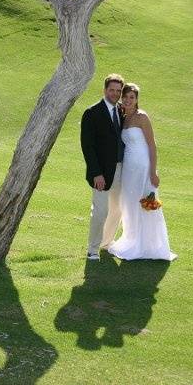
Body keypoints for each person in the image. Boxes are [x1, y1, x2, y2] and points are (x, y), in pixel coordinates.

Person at [107, 83, 177, 261]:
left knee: (145, 203)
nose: (128, 100)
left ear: (137, 99)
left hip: (143, 166)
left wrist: (153, 172)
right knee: (129, 202)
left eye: (132, 97)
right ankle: (131, 239)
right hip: (129, 168)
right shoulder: (124, 116)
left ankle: (147, 246)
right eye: (126, 97)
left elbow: (152, 146)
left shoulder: (142, 117)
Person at [81, 74, 126, 261]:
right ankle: (92, 249)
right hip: (101, 173)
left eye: (118, 91)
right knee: (100, 211)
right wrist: (96, 173)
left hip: (121, 170)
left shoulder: (121, 111)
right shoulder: (92, 113)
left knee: (117, 210)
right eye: (111, 90)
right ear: (105, 90)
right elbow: (87, 146)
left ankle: (106, 244)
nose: (115, 94)